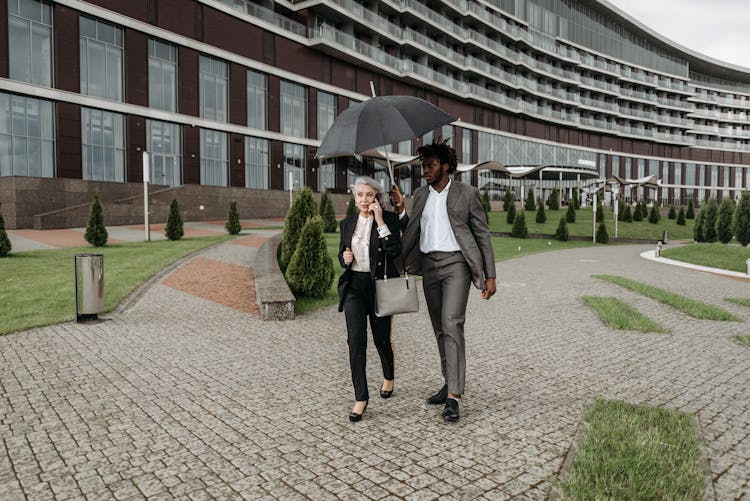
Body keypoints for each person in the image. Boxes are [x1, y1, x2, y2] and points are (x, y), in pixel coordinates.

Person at [390, 139, 496, 422]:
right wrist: (401, 210)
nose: (424, 170)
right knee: (439, 327)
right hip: (429, 267)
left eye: (430, 165)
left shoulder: (467, 194)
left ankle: (454, 397)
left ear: (445, 166)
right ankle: (448, 381)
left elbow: (483, 235)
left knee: (452, 323)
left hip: (456, 265)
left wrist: (490, 275)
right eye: (423, 165)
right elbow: (412, 229)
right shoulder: (420, 194)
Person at [338, 176, 402, 422]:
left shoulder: (389, 220)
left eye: (369, 195)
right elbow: (342, 254)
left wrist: (380, 220)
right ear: (355, 199)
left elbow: (395, 251)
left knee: (382, 339)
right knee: (355, 341)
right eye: (360, 195)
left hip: (379, 287)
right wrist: (344, 257)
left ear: (377, 198)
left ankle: (388, 376)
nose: (364, 200)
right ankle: (361, 397)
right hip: (354, 286)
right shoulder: (347, 224)